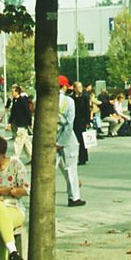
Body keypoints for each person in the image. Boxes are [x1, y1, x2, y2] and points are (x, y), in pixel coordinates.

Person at [56, 78, 85, 206]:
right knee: (71, 168)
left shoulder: (42, 100)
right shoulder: (68, 101)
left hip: (50, 137)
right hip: (67, 138)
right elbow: (69, 123)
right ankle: (74, 197)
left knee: (50, 168)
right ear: (65, 87)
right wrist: (61, 142)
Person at [2, 84, 33, 161]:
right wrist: (9, 123)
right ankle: (33, 157)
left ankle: (15, 157)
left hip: (22, 124)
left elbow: (27, 112)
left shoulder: (22, 100)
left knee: (18, 141)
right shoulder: (15, 101)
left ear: (17, 92)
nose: (12, 93)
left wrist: (30, 123)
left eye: (13, 91)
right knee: (26, 142)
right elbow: (13, 113)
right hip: (19, 123)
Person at [72, 81, 91, 164]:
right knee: (74, 140)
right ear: (74, 88)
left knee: (82, 140)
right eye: (78, 87)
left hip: (82, 121)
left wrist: (87, 121)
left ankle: (83, 158)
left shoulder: (85, 96)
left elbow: (87, 109)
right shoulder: (72, 97)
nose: (80, 89)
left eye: (81, 87)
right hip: (74, 120)